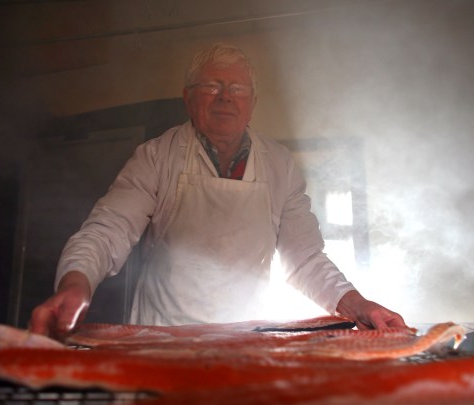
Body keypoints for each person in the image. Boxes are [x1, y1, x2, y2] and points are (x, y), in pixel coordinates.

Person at [30, 42, 407, 338]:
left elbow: (305, 260)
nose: (226, 96)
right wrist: (76, 282)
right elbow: (106, 230)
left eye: (237, 88)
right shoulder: (156, 156)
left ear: (252, 103)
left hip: (244, 339)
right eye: (211, 86)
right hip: (161, 339)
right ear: (189, 98)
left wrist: (358, 305)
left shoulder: (279, 164)